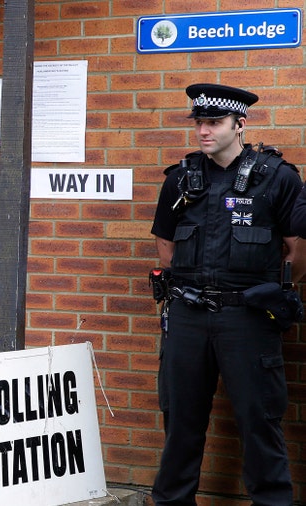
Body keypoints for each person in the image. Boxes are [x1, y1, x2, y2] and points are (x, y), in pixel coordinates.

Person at [149, 83, 305, 505]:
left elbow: (296, 250)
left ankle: (272, 501)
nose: (203, 130)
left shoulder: (278, 177)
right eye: (199, 122)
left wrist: (268, 293)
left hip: (249, 318)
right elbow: (165, 242)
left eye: (214, 122)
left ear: (240, 124)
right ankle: (173, 500)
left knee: (260, 418)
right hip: (187, 317)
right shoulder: (181, 178)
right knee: (181, 418)